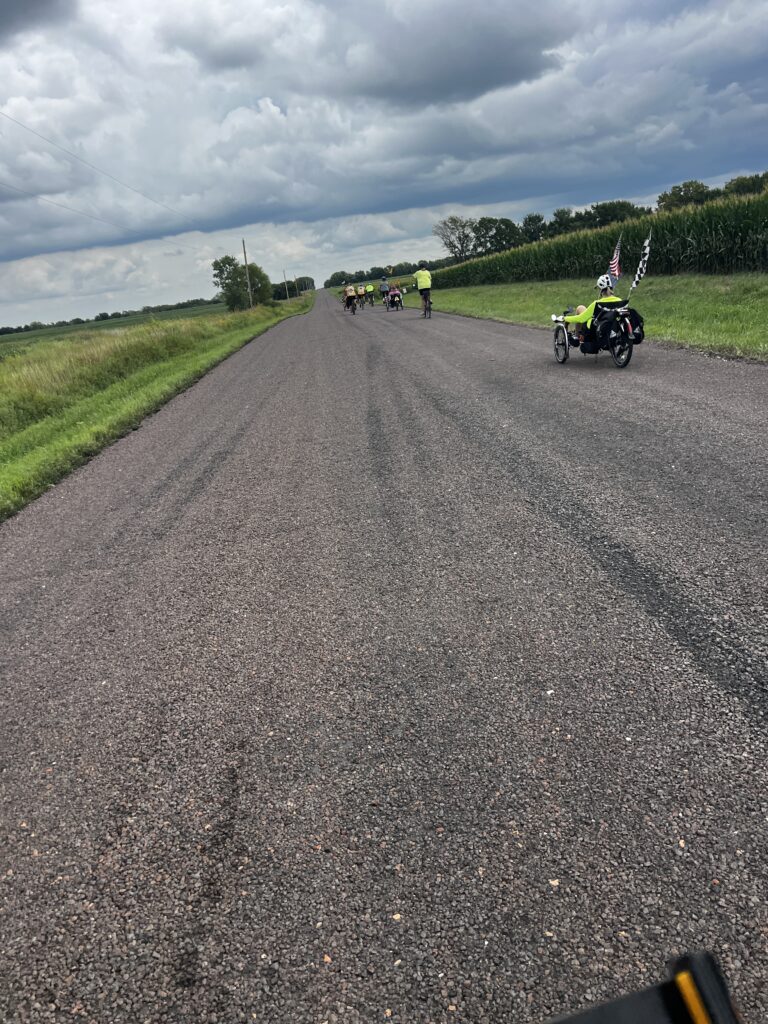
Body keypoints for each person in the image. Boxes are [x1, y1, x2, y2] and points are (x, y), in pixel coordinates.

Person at [563, 274, 624, 347]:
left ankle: (577, 336)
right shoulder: (620, 301)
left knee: (580, 308)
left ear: (600, 290)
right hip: (613, 328)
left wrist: (565, 318)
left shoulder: (597, 303)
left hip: (595, 329)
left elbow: (581, 318)